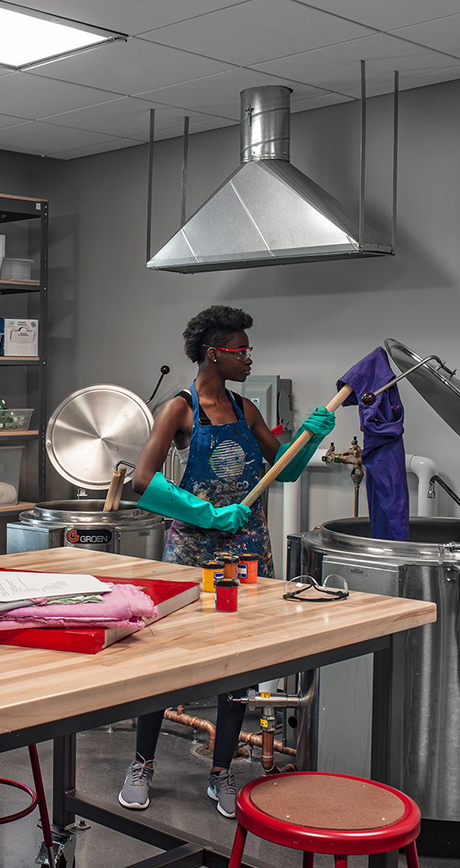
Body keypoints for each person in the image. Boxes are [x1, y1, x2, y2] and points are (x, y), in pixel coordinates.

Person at [122, 305, 335, 818]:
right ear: (215, 353)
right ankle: (142, 763)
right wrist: (209, 515)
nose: (249, 359)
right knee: (166, 662)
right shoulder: (180, 408)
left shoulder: (247, 411)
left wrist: (310, 438)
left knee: (237, 667)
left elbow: (281, 472)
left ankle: (221, 771)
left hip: (244, 556)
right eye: (241, 351)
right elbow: (143, 482)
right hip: (192, 555)